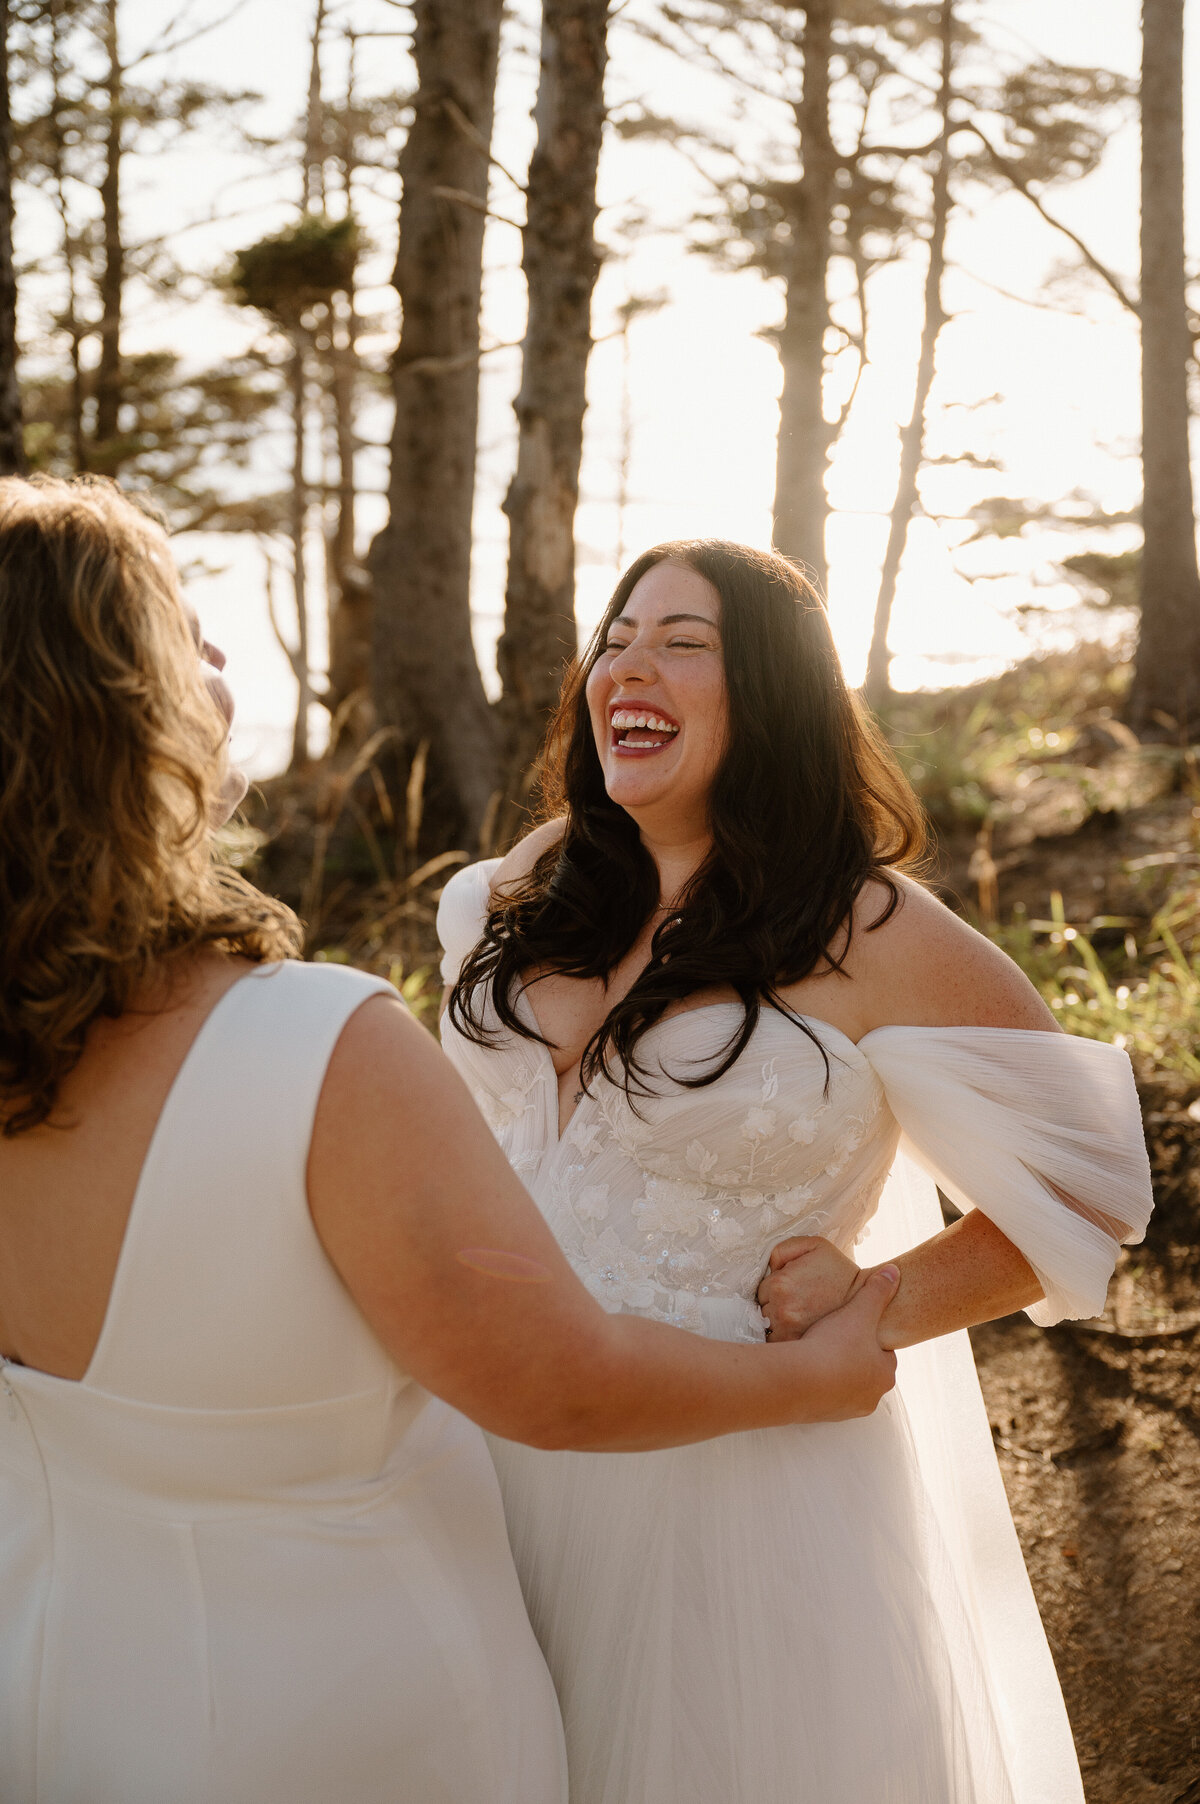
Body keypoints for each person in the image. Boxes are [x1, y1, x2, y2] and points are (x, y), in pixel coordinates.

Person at [0, 483, 901, 1804]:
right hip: (340, 1711)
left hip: (60, 1677)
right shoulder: (318, 1047)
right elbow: (557, 1384)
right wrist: (813, 1384)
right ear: (118, 710)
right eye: (184, 630)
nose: (225, 657)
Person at [438, 538, 1155, 1804]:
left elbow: (1093, 1174)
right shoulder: (530, 887)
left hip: (730, 1496)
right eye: (615, 637)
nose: (628, 666)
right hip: (482, 1451)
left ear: (767, 689)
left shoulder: (863, 924)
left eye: (683, 641)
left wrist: (877, 1302)